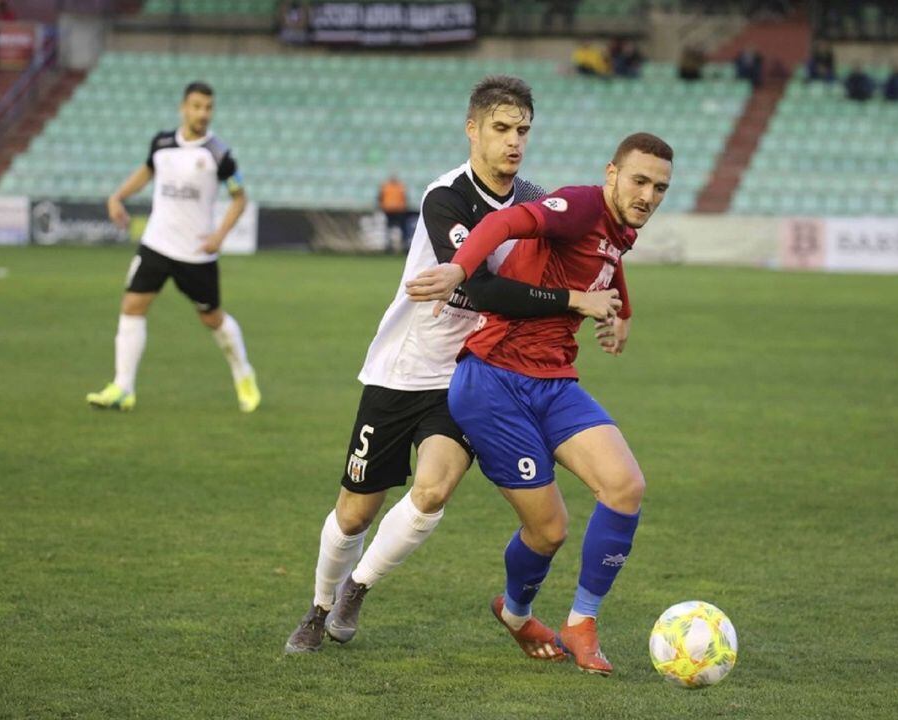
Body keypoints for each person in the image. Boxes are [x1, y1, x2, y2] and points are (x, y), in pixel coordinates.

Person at [283, 75, 621, 655]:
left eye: (523, 130)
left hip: (471, 373)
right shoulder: (447, 198)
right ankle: (318, 601)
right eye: (501, 128)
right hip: (401, 367)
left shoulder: (537, 202)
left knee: (433, 491)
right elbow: (479, 289)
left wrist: (615, 306)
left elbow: (594, 247)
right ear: (473, 129)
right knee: (355, 510)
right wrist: (571, 301)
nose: (514, 141)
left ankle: (353, 593)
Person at [405, 132, 674, 676]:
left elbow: (611, 261)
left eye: (660, 187)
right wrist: (460, 269)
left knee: (625, 487)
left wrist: (622, 317)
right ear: (611, 174)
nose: (647, 195)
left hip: (554, 381)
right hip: (493, 381)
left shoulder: (620, 227)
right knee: (550, 531)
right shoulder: (578, 205)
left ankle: (582, 623)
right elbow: (504, 223)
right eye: (639, 180)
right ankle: (516, 612)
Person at [87, 82, 259, 413]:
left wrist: (219, 235)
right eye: (197, 106)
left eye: (208, 107)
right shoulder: (162, 143)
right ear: (184, 108)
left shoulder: (219, 154)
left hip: (195, 254)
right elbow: (148, 170)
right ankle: (123, 387)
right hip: (155, 244)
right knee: (132, 305)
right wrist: (118, 196)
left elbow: (240, 198)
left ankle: (243, 373)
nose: (203, 113)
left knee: (212, 319)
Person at [378, 173, 409, 253]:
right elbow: (380, 197)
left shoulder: (395, 186)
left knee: (398, 229)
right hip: (391, 210)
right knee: (391, 229)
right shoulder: (391, 186)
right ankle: (390, 245)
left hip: (397, 210)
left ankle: (402, 245)